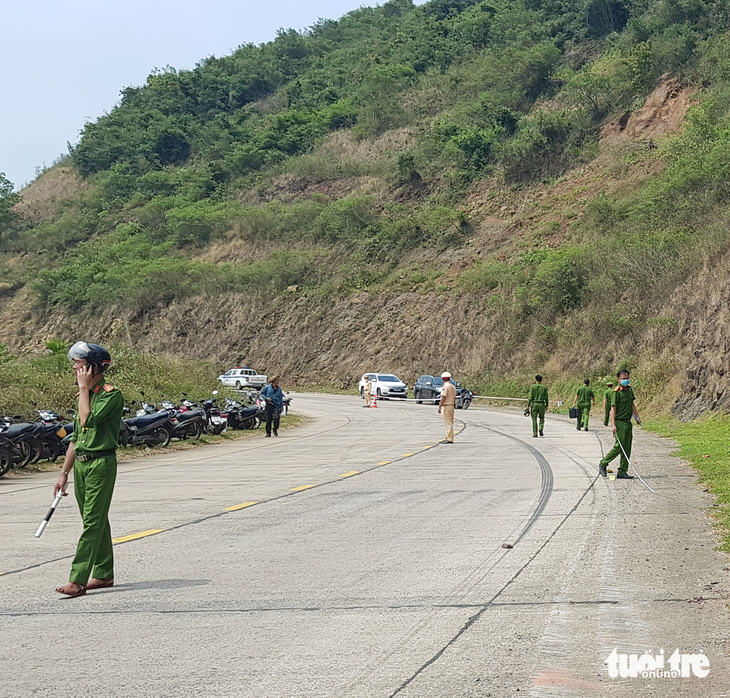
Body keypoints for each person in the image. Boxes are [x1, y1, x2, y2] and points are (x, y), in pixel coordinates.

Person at [53, 342, 124, 598]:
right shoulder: (84, 394)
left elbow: (87, 419)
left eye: (79, 364)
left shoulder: (110, 394)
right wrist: (63, 473)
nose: (75, 368)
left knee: (92, 521)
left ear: (94, 367)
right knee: (94, 519)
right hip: (81, 464)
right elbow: (76, 437)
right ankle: (104, 573)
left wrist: (84, 389)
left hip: (100, 464)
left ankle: (77, 580)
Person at [599, 369, 642, 479]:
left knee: (627, 447)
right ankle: (603, 463)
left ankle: (622, 470)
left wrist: (637, 417)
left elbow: (632, 405)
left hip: (628, 422)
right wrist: (613, 424)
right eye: (623, 379)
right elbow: (613, 409)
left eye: (627, 378)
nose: (626, 380)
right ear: (618, 380)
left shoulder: (629, 390)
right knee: (619, 446)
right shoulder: (616, 392)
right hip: (619, 423)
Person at [438, 371, 456, 444]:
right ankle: (449, 437)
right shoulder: (453, 386)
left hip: (446, 406)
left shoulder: (445, 387)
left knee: (447, 423)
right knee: (450, 422)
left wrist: (440, 406)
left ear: (443, 379)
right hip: (451, 405)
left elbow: (443, 397)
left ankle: (448, 438)